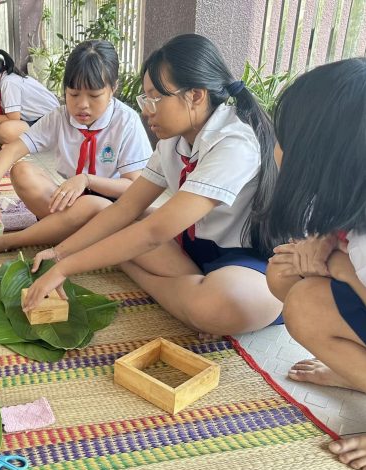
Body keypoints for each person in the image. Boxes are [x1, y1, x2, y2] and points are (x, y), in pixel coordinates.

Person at [22, 34, 283, 337]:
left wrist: (65, 268)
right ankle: (185, 296)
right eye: (145, 100)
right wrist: (59, 253)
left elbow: (154, 232)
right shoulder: (172, 142)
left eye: (154, 99)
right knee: (112, 219)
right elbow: (126, 207)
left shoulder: (234, 143)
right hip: (190, 254)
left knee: (220, 302)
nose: (146, 111)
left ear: (196, 96)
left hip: (245, 262)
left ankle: (170, 292)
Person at [263, 58, 366, 470]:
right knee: (287, 275)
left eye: (286, 139)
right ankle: (353, 372)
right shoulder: (345, 198)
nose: (276, 149)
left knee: (305, 302)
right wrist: (322, 245)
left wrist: (339, 268)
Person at [0, 40, 151, 258]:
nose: (82, 105)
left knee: (93, 205)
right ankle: (77, 234)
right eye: (73, 94)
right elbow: (13, 149)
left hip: (109, 207)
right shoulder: (60, 117)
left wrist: (87, 180)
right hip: (69, 202)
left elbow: (133, 187)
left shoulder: (126, 121)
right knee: (21, 171)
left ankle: (12, 240)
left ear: (113, 88)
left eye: (94, 96)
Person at [0, 48, 60, 146]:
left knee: (5, 130)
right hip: (33, 121)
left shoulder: (9, 83)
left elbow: (12, 119)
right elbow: (2, 115)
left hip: (50, 122)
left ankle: (19, 143)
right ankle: (15, 141)